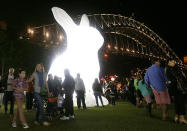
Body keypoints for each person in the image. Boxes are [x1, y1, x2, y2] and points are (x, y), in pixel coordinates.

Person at [166, 59, 187, 124]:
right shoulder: (170, 69)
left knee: (178, 102)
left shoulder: (169, 69)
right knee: (181, 102)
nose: (174, 62)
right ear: (169, 62)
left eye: (174, 61)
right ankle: (181, 118)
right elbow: (179, 76)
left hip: (175, 88)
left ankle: (177, 117)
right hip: (178, 88)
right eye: (172, 61)